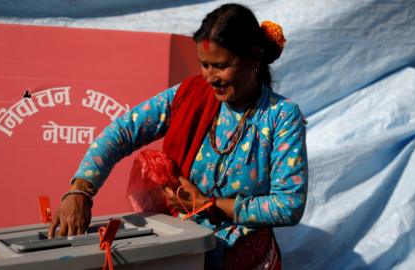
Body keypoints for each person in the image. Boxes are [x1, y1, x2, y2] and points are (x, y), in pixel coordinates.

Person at [49, 3, 308, 269]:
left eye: (220, 66)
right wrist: (80, 191)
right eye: (204, 65)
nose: (210, 78)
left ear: (254, 57)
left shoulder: (281, 116)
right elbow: (123, 131)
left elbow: (288, 205)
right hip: (182, 250)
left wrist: (208, 206)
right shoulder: (189, 95)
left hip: (245, 258)